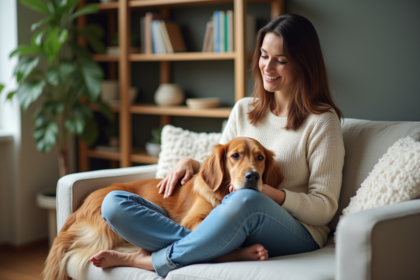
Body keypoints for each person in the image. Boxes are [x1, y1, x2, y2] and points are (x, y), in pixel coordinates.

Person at [89, 13, 345, 277]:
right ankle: (219, 252)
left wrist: (267, 193)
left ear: (304, 64)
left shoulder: (322, 121)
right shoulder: (244, 109)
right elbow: (229, 163)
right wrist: (194, 163)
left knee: (245, 198)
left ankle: (150, 261)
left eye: (280, 61)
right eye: (264, 55)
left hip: (297, 231)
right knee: (113, 202)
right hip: (235, 220)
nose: (267, 67)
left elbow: (324, 208)